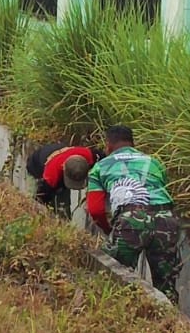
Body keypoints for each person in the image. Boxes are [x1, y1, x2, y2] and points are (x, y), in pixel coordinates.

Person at [85, 125, 180, 298]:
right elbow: (161, 189)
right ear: (133, 143)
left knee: (113, 277)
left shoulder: (100, 167)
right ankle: (168, 313)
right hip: (166, 219)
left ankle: (121, 309)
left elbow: (96, 210)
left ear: (108, 145)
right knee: (166, 286)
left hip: (131, 219)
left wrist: (109, 229)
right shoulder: (154, 162)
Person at [25, 143, 99, 219]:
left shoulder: (90, 155)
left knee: (64, 208)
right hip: (35, 167)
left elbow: (104, 161)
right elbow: (40, 199)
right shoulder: (51, 176)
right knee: (39, 209)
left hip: (56, 154)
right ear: (63, 169)